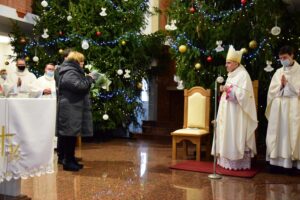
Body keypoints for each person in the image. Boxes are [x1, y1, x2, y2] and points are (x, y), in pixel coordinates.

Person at [211, 45, 258, 170]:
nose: (226, 65)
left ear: (236, 63)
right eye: (226, 63)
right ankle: (225, 160)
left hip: (237, 113)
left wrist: (229, 90)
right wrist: (224, 90)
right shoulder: (232, 74)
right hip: (228, 111)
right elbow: (230, 91)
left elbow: (244, 96)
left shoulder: (243, 75)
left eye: (228, 63)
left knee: (234, 132)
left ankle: (237, 162)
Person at [56, 51, 96, 171]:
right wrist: (89, 79)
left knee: (71, 134)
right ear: (76, 61)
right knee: (69, 135)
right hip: (69, 108)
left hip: (72, 107)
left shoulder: (71, 71)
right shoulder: (69, 72)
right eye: (81, 61)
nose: (83, 64)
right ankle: (67, 161)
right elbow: (79, 86)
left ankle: (70, 159)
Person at [265, 45, 300, 172]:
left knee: (292, 133)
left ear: (292, 55)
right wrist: (280, 85)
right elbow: (271, 91)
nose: (282, 60)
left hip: (294, 107)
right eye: (280, 58)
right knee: (278, 133)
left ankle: (293, 162)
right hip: (279, 109)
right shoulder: (278, 72)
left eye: (285, 57)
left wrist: (288, 85)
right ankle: (276, 161)